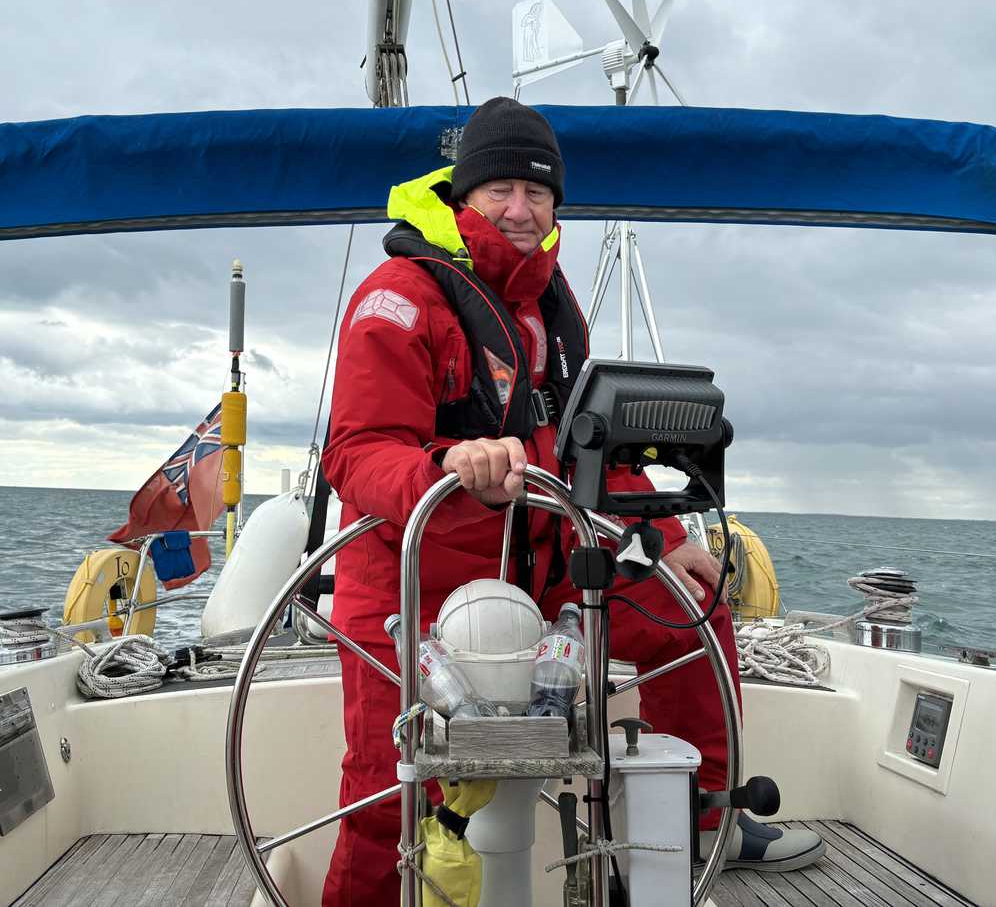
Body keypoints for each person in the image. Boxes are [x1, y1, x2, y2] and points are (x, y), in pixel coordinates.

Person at [321, 97, 822, 905]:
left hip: (540, 565)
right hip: (410, 585)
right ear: (463, 194)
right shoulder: (399, 298)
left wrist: (664, 541)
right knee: (390, 790)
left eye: (538, 192)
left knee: (689, 615)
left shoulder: (551, 307)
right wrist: (450, 465)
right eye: (500, 190)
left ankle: (703, 821)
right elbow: (357, 451)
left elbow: (583, 447)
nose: (520, 210)